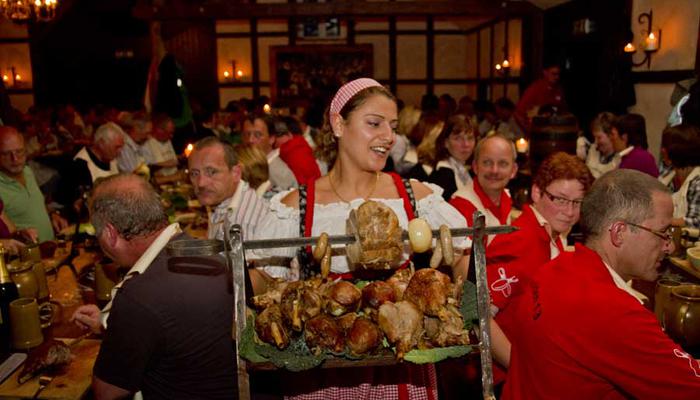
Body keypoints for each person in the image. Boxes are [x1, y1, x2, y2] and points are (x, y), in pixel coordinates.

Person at [249, 78, 478, 398]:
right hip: (323, 373)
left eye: (393, 126)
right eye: (374, 123)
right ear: (338, 123)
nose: (388, 137)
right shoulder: (297, 205)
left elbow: (465, 246)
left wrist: (450, 301)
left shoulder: (414, 196)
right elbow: (260, 282)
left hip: (401, 370)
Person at [502, 169, 700, 399]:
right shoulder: (614, 312)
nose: (670, 247)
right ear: (619, 232)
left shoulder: (556, 267)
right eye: (663, 233)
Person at [71, 174, 236, 399]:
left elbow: (107, 393)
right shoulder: (212, 252)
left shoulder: (137, 297)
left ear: (110, 234)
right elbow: (175, 329)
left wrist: (121, 323)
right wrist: (109, 324)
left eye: (97, 234)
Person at [188, 136, 269, 241]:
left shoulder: (242, 224)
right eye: (194, 173)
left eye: (212, 172)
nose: (201, 183)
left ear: (236, 173)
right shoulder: (225, 201)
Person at [0, 126, 67, 241]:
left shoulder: (27, 171)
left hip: (52, 251)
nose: (15, 159)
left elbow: (38, 203)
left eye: (19, 151)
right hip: (29, 256)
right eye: (6, 154)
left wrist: (52, 215)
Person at [450, 134, 518, 234]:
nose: (494, 170)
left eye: (502, 163)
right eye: (487, 162)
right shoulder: (460, 205)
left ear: (513, 170)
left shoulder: (506, 197)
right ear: (475, 166)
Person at [242, 113, 298, 190]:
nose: (250, 140)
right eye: (246, 135)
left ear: (271, 139)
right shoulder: (250, 164)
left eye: (257, 135)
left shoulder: (279, 172)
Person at [427, 114, 476, 200]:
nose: (466, 144)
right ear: (446, 143)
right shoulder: (442, 175)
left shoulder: (468, 171)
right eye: (458, 139)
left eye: (470, 138)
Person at [664, 124, 700, 228]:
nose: (662, 151)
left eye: (665, 147)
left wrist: (664, 222)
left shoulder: (697, 182)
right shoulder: (668, 177)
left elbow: (697, 222)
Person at [514, 64, 566, 132]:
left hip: (553, 133)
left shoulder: (559, 90)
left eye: (558, 74)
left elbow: (563, 112)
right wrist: (529, 131)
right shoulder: (534, 89)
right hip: (537, 133)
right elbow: (518, 114)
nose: (557, 77)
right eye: (554, 74)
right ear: (545, 72)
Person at [275, 116, 322, 185]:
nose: (274, 140)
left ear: (289, 134)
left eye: (277, 135)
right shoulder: (300, 145)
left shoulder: (293, 150)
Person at [610, 113, 659, 177]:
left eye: (613, 134)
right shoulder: (638, 156)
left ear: (624, 137)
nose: (611, 138)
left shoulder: (636, 159)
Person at [585, 111, 620, 178]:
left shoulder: (620, 158)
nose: (595, 142)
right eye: (594, 137)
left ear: (611, 135)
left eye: (599, 137)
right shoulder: (593, 148)